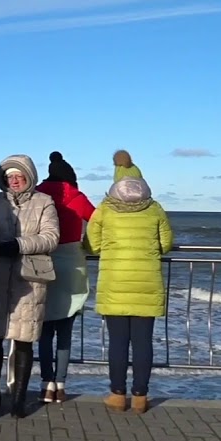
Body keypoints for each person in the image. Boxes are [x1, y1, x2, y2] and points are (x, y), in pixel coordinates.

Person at [0, 155, 60, 419]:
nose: (15, 180)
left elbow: (50, 237)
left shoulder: (44, 202)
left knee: (23, 340)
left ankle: (19, 399)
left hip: (28, 282)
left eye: (19, 175)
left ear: (29, 176)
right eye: (10, 176)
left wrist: (18, 245)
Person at [87, 177, 174, 414]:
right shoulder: (154, 209)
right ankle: (140, 397)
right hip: (147, 283)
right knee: (143, 343)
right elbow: (165, 243)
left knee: (118, 343)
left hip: (115, 282)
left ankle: (117, 394)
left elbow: (92, 245)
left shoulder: (105, 210)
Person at [34, 152, 96, 404]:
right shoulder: (76, 196)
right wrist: (89, 244)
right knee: (65, 330)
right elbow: (97, 220)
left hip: (43, 261)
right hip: (72, 264)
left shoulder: (38, 194)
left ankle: (45, 384)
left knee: (45, 329)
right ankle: (60, 384)